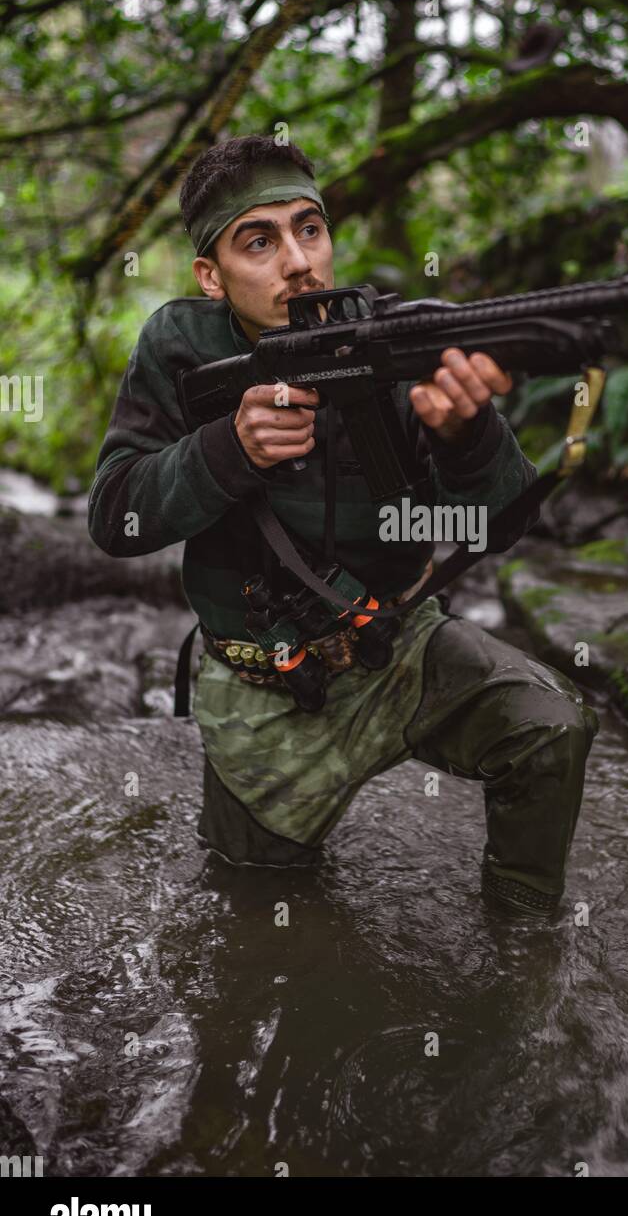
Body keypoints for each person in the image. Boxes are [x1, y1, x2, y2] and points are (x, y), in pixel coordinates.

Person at [87, 133, 598, 917]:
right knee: (253, 909)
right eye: (258, 241)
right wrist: (228, 449)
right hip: (262, 684)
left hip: (397, 645)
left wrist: (469, 436)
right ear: (210, 276)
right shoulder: (178, 346)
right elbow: (114, 518)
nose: (298, 260)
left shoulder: (386, 341)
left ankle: (523, 951)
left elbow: (493, 524)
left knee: (549, 728)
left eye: (310, 228)